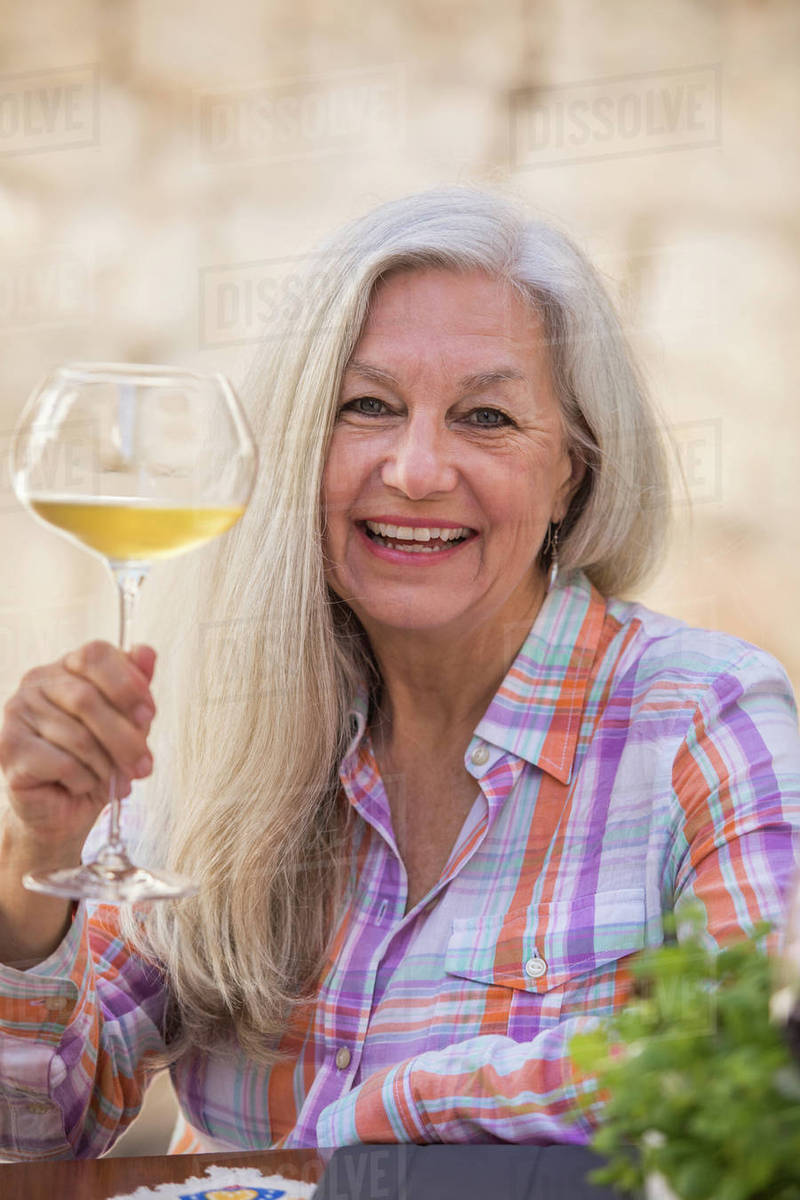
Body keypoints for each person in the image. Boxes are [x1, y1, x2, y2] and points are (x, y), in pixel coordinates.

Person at [1, 189, 799, 1160]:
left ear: (572, 471)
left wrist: (386, 1120)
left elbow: (756, 1065)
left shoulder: (704, 718)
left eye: (485, 417)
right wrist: (37, 856)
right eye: (368, 407)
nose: (416, 470)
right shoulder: (234, 723)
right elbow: (35, 1125)